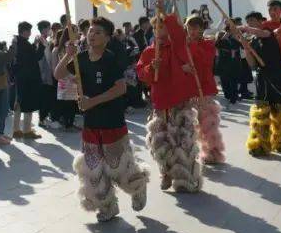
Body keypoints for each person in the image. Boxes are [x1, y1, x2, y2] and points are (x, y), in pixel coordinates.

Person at [58, 17, 150, 222]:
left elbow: (121, 88)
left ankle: (138, 186)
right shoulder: (80, 58)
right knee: (94, 169)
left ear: (107, 38)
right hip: (90, 123)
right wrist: (67, 55)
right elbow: (59, 74)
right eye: (90, 31)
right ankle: (107, 206)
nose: (92, 35)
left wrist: (94, 101)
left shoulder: (112, 59)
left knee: (118, 165)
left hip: (112, 122)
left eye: (98, 32)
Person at [136, 14, 201, 193]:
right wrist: (151, 68)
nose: (159, 31)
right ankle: (165, 172)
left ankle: (185, 178)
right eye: (156, 27)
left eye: (163, 27)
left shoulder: (177, 47)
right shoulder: (149, 51)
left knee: (183, 141)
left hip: (179, 101)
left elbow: (180, 35)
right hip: (161, 102)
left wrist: (166, 13)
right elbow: (141, 73)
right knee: (160, 142)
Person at [240, 12, 281, 155]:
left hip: (277, 77)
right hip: (261, 78)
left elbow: (261, 33)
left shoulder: (268, 32)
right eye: (248, 21)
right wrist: (246, 49)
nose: (250, 23)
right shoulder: (252, 41)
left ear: (260, 22)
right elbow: (252, 64)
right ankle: (260, 144)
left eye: (252, 21)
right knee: (261, 111)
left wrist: (243, 28)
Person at [186, 16, 224, 164]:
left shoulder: (208, 43)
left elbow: (206, 60)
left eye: (195, 28)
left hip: (204, 87)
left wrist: (192, 45)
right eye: (189, 28)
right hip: (188, 89)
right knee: (190, 124)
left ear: (202, 29)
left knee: (208, 124)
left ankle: (213, 153)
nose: (192, 31)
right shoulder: (183, 45)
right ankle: (190, 154)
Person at [11, 22, 44, 139]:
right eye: (29, 30)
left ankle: (16, 129)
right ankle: (27, 130)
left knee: (19, 102)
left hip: (20, 77)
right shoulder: (24, 44)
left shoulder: (18, 42)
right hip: (28, 78)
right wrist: (42, 46)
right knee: (28, 103)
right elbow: (36, 57)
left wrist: (34, 44)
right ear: (24, 31)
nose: (30, 33)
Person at [51, 28, 80, 130]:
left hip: (71, 78)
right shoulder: (66, 47)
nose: (77, 33)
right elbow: (65, 64)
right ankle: (68, 124)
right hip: (66, 78)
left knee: (72, 101)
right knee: (68, 103)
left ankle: (70, 123)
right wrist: (72, 77)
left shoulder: (73, 45)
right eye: (75, 31)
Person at [214, 20, 246, 105]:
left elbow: (243, 46)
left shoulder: (237, 35)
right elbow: (217, 44)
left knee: (234, 81)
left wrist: (237, 36)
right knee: (225, 82)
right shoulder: (221, 34)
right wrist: (227, 33)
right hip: (224, 62)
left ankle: (234, 97)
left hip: (234, 62)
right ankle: (228, 95)